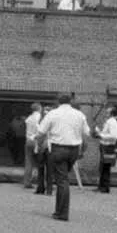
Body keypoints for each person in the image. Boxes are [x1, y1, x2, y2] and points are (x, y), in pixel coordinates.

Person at [35, 92, 91, 221]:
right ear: (70, 101)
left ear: (58, 101)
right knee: (64, 178)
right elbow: (87, 133)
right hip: (74, 150)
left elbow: (41, 132)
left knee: (62, 180)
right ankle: (59, 211)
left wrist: (38, 142)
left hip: (58, 148)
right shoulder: (79, 114)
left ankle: (62, 213)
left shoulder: (53, 114)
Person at [94, 104, 117, 193]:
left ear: (111, 113)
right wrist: (99, 132)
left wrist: (101, 135)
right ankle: (102, 186)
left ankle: (105, 187)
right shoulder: (109, 121)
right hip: (105, 146)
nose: (106, 113)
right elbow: (106, 133)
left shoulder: (112, 122)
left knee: (105, 167)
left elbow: (114, 136)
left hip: (108, 147)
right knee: (103, 167)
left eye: (107, 112)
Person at [22, 102, 42, 189]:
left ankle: (27, 182)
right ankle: (41, 183)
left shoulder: (29, 118)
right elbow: (40, 130)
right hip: (36, 141)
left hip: (28, 140)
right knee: (41, 163)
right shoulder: (39, 117)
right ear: (39, 108)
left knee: (28, 162)